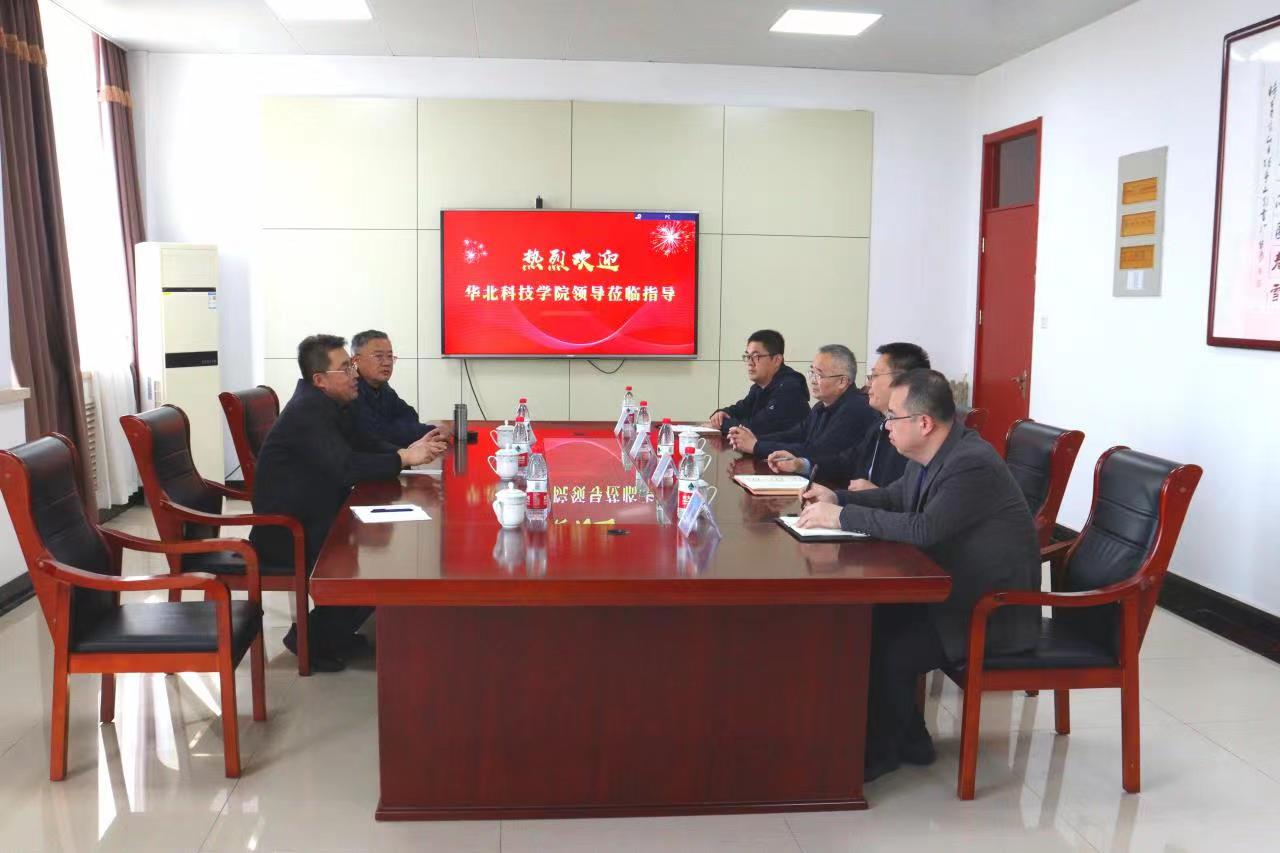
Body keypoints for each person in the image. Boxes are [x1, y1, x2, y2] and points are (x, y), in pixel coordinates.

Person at [796, 369, 1039, 781]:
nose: (885, 426)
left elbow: (925, 528)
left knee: (887, 648)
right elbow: (896, 497)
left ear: (924, 423)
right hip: (953, 592)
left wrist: (841, 516)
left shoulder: (970, 464)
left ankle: (881, 752)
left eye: (893, 417)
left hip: (988, 611)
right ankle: (908, 739)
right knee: (863, 626)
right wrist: (838, 497)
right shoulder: (935, 453)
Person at [250, 334, 448, 672]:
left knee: (387, 548)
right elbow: (345, 467)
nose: (354, 374)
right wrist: (403, 458)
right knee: (380, 564)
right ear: (320, 379)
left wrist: (408, 452)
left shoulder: (334, 403)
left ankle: (332, 633)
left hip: (320, 513)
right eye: (345, 368)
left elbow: (364, 443)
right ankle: (310, 639)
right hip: (288, 530)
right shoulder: (308, 411)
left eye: (351, 367)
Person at [768, 342, 930, 488]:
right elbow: (846, 462)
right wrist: (801, 465)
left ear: (903, 382)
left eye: (874, 376)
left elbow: (905, 502)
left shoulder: (913, 435)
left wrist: (875, 495)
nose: (868, 383)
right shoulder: (880, 426)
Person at [727, 344, 877, 462]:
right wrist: (754, 439)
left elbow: (816, 452)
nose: (812, 380)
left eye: (819, 375)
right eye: (812, 372)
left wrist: (757, 446)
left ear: (842, 381)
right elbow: (796, 434)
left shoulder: (855, 409)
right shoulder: (821, 406)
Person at [351, 329, 451, 448]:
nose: (387, 363)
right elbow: (378, 434)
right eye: (378, 356)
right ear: (356, 360)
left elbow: (410, 415)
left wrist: (395, 427)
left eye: (390, 356)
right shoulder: (350, 390)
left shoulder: (383, 387)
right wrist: (433, 430)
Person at [706, 329, 809, 437]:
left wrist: (722, 424)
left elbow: (755, 429)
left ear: (777, 360)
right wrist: (721, 414)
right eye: (748, 356)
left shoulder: (789, 388)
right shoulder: (759, 387)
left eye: (756, 356)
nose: (750, 363)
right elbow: (740, 410)